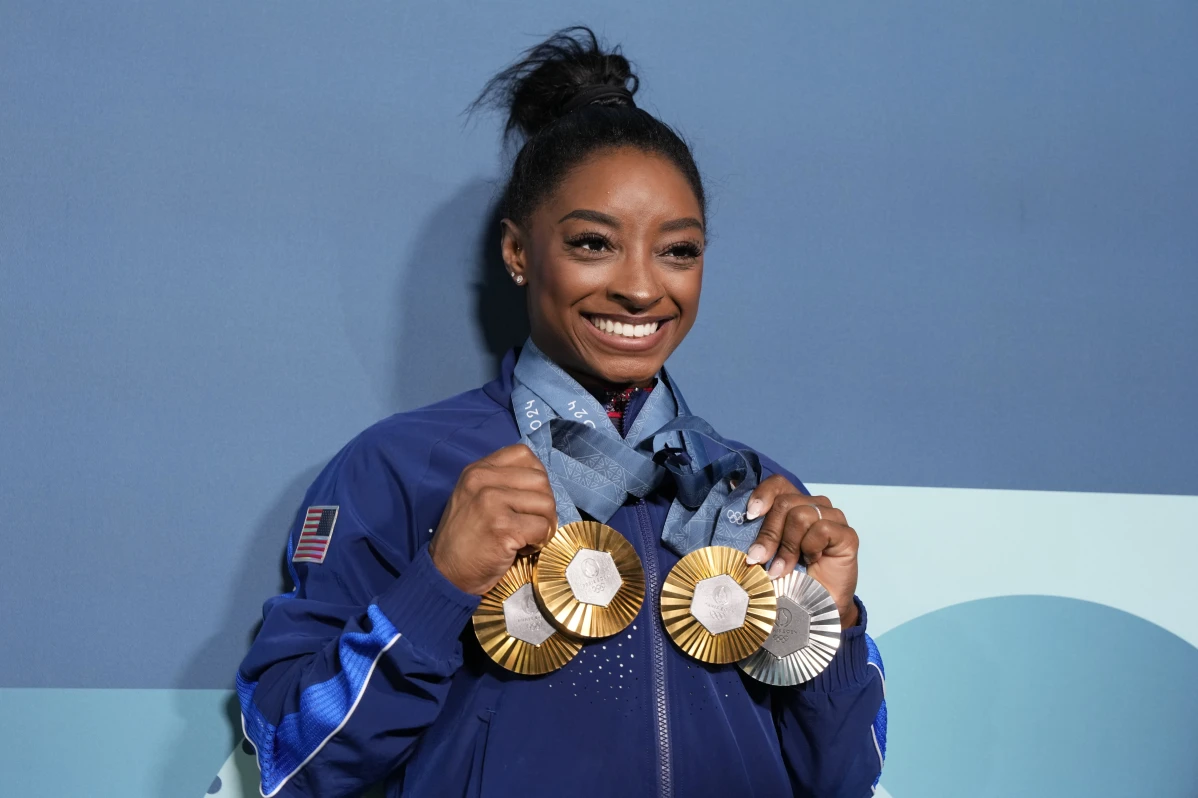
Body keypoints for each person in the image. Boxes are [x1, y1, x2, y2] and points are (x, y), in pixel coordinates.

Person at [237, 26, 886, 798]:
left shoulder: (756, 493)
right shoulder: (402, 469)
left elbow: (844, 779)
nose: (643, 289)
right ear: (518, 253)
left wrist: (833, 622)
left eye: (678, 251)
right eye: (593, 244)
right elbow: (289, 756)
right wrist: (438, 584)